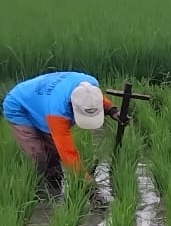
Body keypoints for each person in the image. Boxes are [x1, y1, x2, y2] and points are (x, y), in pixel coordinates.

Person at [3, 70, 123, 202]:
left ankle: (55, 185)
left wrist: (112, 109)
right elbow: (68, 154)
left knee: (53, 153)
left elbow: (94, 97)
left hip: (41, 100)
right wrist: (91, 189)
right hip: (19, 106)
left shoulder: (89, 84)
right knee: (38, 154)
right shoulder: (58, 112)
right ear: (72, 106)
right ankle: (43, 197)